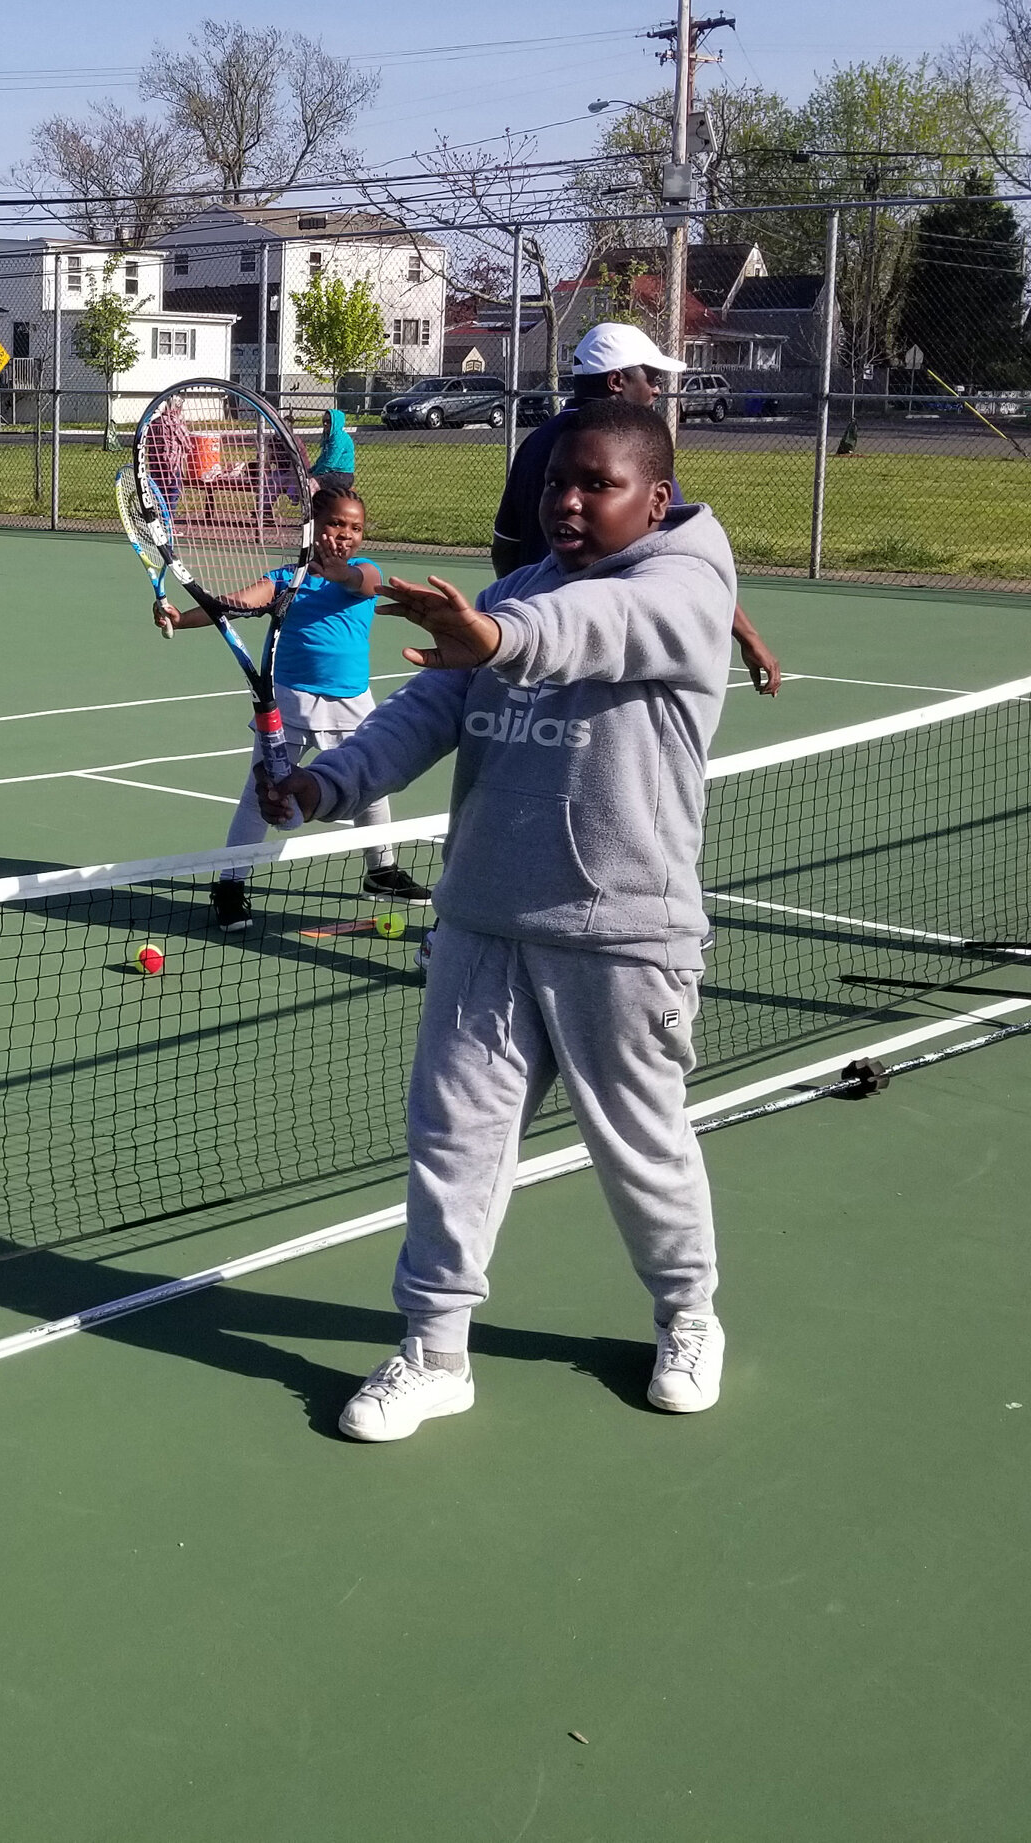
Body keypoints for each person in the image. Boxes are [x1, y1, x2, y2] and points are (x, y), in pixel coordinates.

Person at [258, 400, 735, 1441]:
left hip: (622, 931)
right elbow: (426, 713)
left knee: (640, 1148)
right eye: (557, 480)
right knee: (452, 1141)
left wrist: (500, 636)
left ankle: (687, 1316)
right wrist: (326, 784)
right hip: (480, 916)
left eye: (595, 484)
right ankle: (434, 1352)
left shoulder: (686, 586)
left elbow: (596, 631)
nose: (566, 499)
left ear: (654, 499)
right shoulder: (512, 591)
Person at [152, 486, 431, 928]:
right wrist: (180, 617)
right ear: (313, 528)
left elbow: (363, 584)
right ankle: (230, 884)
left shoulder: (364, 572)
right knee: (261, 794)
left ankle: (381, 870)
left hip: (353, 703)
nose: (345, 535)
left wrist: (339, 573)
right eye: (336, 524)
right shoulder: (286, 579)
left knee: (370, 787)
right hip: (287, 703)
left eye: (355, 528)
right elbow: (234, 604)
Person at [495, 322, 781, 696]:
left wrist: (523, 617)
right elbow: (682, 558)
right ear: (616, 382)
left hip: (536, 645)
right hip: (607, 655)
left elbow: (506, 547)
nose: (657, 388)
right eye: (650, 377)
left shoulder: (533, 444)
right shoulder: (631, 455)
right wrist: (748, 636)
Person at [308, 405, 355, 494]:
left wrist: (315, 474)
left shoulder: (338, 437)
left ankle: (310, 507)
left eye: (329, 421)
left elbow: (330, 462)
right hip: (332, 473)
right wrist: (311, 470)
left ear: (336, 422)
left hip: (342, 475)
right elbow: (322, 460)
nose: (325, 424)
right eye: (324, 421)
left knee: (311, 484)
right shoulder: (329, 437)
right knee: (305, 478)